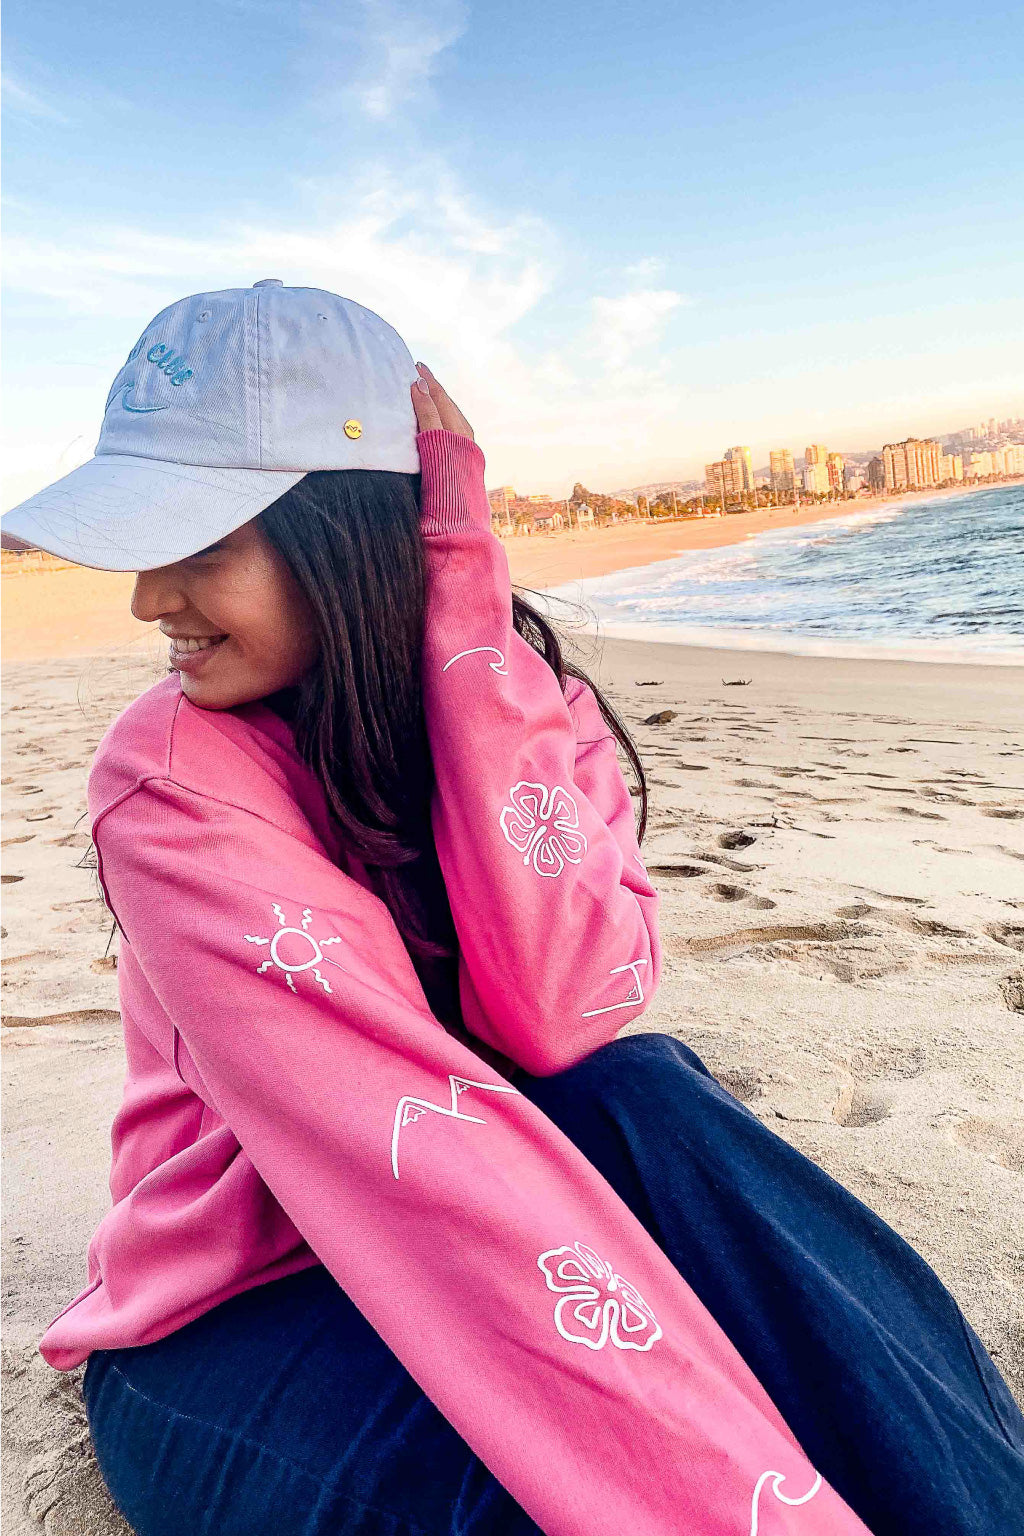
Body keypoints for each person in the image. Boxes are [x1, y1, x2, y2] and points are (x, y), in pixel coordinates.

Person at [3, 282, 1021, 1536]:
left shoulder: (529, 709)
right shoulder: (173, 783)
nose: (149, 600)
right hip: (239, 1310)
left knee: (643, 1092)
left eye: (202, 546)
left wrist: (469, 634)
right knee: (565, 1491)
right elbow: (410, 1143)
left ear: (350, 537)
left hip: (501, 1205)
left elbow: (557, 1013)